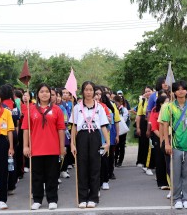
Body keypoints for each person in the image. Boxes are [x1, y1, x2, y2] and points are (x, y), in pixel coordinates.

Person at [22, 83, 66, 210]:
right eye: (42, 91)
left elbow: (61, 129)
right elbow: (25, 129)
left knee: (52, 176)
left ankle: (52, 199)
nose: (45, 94)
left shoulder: (57, 109)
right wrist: (25, 146)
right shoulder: (31, 109)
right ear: (37, 94)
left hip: (52, 148)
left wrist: (62, 147)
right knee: (37, 176)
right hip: (36, 149)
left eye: (47, 91)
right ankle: (37, 199)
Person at [70, 81, 110, 209]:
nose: (88, 92)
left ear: (94, 92)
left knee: (95, 167)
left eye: (91, 90)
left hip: (95, 137)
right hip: (81, 137)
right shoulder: (76, 107)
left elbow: (103, 126)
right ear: (82, 92)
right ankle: (82, 198)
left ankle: (93, 197)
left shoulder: (99, 107)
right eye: (86, 90)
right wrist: (72, 144)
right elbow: (74, 127)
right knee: (82, 167)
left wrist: (108, 142)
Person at [163, 80, 187, 209]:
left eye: (183, 88)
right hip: (174, 144)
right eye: (177, 89)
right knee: (175, 172)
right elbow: (165, 125)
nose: (180, 91)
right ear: (174, 91)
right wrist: (167, 143)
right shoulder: (169, 107)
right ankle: (177, 198)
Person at [149, 94, 169, 189]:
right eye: (166, 101)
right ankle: (162, 182)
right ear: (161, 103)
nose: (168, 103)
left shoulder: (170, 110)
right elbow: (154, 127)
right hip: (158, 137)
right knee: (160, 160)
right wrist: (163, 137)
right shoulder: (155, 111)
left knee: (169, 161)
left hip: (170, 137)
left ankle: (170, 181)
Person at [136, 86, 153, 172]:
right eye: (146, 92)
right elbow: (138, 115)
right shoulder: (142, 101)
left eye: (149, 91)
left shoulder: (155, 101)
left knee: (152, 143)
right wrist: (138, 127)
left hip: (152, 121)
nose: (147, 93)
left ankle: (151, 163)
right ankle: (141, 161)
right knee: (143, 142)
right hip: (144, 122)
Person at [113, 95, 129, 167]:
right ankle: (115, 160)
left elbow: (124, 120)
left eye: (117, 102)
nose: (116, 104)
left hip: (122, 130)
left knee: (122, 146)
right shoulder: (113, 108)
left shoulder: (124, 110)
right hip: (115, 129)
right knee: (116, 145)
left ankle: (120, 161)